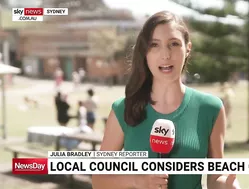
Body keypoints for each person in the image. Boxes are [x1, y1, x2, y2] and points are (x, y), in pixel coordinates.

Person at [92, 11, 241, 189]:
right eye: (155, 45)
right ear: (145, 52)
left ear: (188, 48)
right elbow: (99, 180)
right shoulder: (122, 109)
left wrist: (227, 185)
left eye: (174, 44)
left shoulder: (211, 108)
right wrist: (138, 181)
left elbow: (216, 175)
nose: (165, 55)